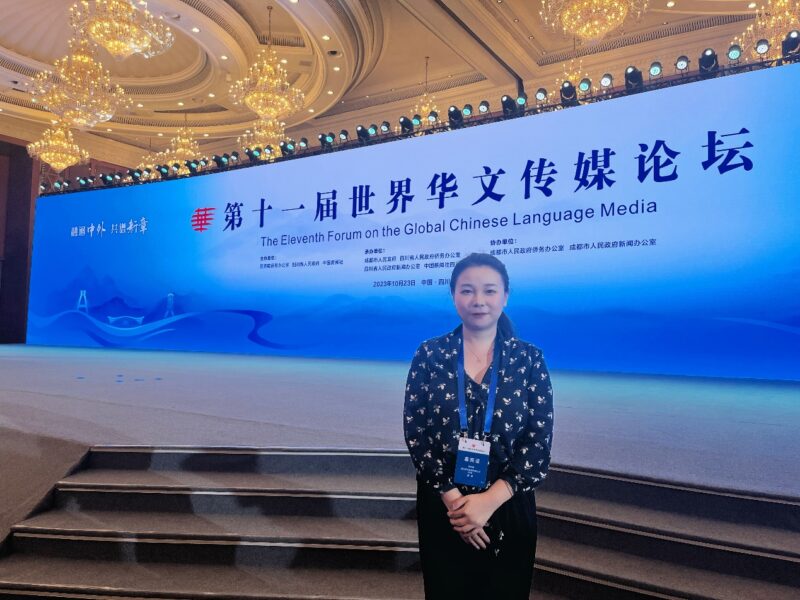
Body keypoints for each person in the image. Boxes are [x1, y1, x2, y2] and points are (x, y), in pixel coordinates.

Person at [403, 253, 554, 599]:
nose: (478, 300)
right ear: (454, 295)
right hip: (444, 502)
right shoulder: (430, 354)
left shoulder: (529, 359)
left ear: (505, 296)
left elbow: (538, 442)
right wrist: (456, 502)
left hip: (507, 501)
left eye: (489, 290)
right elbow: (416, 432)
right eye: (467, 290)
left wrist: (488, 502)